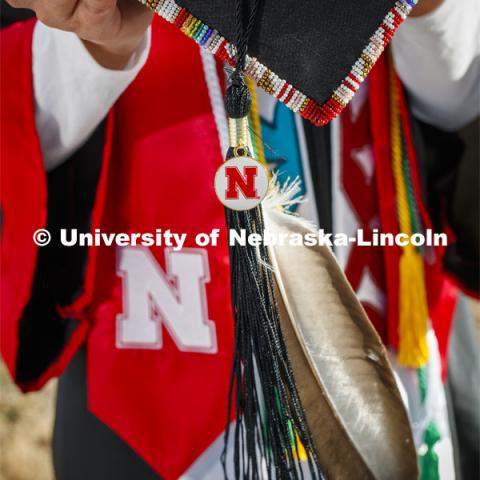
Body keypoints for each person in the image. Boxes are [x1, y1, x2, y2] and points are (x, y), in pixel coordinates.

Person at [1, 0, 478, 478]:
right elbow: (19, 126)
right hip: (160, 368)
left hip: (394, 325)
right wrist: (97, 42)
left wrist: (428, 9)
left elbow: (459, 97)